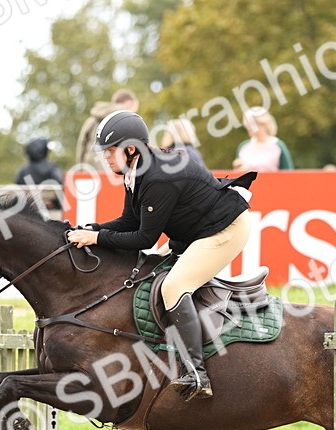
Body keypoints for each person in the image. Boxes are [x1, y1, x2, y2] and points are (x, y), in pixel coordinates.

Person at [64, 110, 255, 402]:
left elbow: (144, 238)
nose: (105, 158)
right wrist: (93, 229)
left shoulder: (155, 177)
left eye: (110, 151)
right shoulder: (136, 170)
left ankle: (196, 373)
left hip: (224, 230)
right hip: (199, 231)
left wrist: (97, 237)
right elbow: (129, 222)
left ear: (131, 148)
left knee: (174, 286)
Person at [76, 88, 139, 169]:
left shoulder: (91, 121)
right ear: (129, 103)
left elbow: (81, 149)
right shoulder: (129, 121)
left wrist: (80, 172)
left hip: (91, 172)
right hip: (116, 174)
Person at [233, 107, 294, 172]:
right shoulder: (244, 146)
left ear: (263, 124)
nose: (249, 127)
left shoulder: (277, 145)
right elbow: (238, 174)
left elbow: (288, 171)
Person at [13, 137, 64, 210]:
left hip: (28, 210)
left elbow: (17, 191)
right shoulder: (52, 168)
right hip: (51, 209)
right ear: (44, 150)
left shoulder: (22, 171)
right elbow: (62, 182)